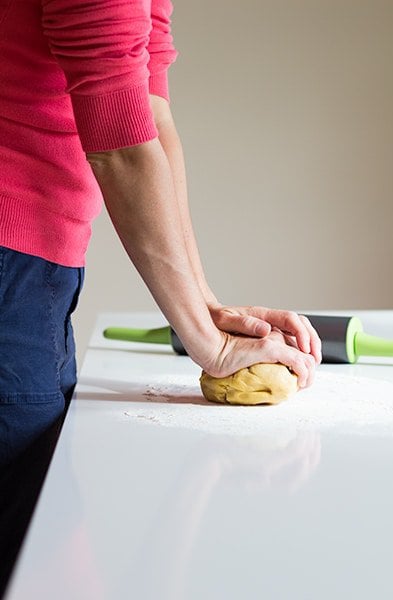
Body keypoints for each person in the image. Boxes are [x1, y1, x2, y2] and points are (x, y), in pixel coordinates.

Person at [0, 0, 321, 591]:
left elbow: (150, 117)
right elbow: (118, 145)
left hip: (33, 269)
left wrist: (208, 308)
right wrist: (211, 348)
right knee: (35, 567)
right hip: (9, 270)